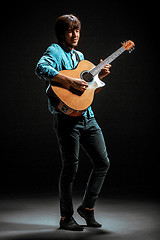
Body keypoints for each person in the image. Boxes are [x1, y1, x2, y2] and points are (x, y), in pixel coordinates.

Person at [35, 14, 111, 231]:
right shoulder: (54, 51)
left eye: (77, 30)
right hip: (66, 120)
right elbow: (41, 68)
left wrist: (100, 78)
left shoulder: (80, 56)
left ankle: (86, 208)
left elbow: (85, 88)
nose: (75, 34)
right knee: (71, 168)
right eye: (70, 30)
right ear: (62, 33)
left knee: (103, 163)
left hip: (88, 117)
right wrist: (68, 81)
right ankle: (65, 217)